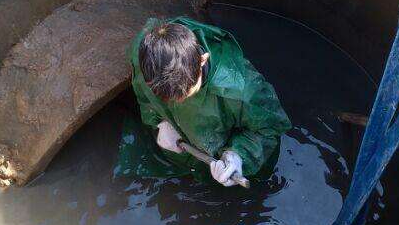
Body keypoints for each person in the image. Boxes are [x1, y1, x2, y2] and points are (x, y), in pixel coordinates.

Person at [119, 17, 291, 185]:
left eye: (186, 93)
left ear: (202, 60)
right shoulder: (145, 55)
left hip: (224, 163)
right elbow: (144, 96)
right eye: (168, 98)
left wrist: (239, 156)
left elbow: (270, 128)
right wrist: (160, 123)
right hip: (182, 153)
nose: (178, 102)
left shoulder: (243, 89)